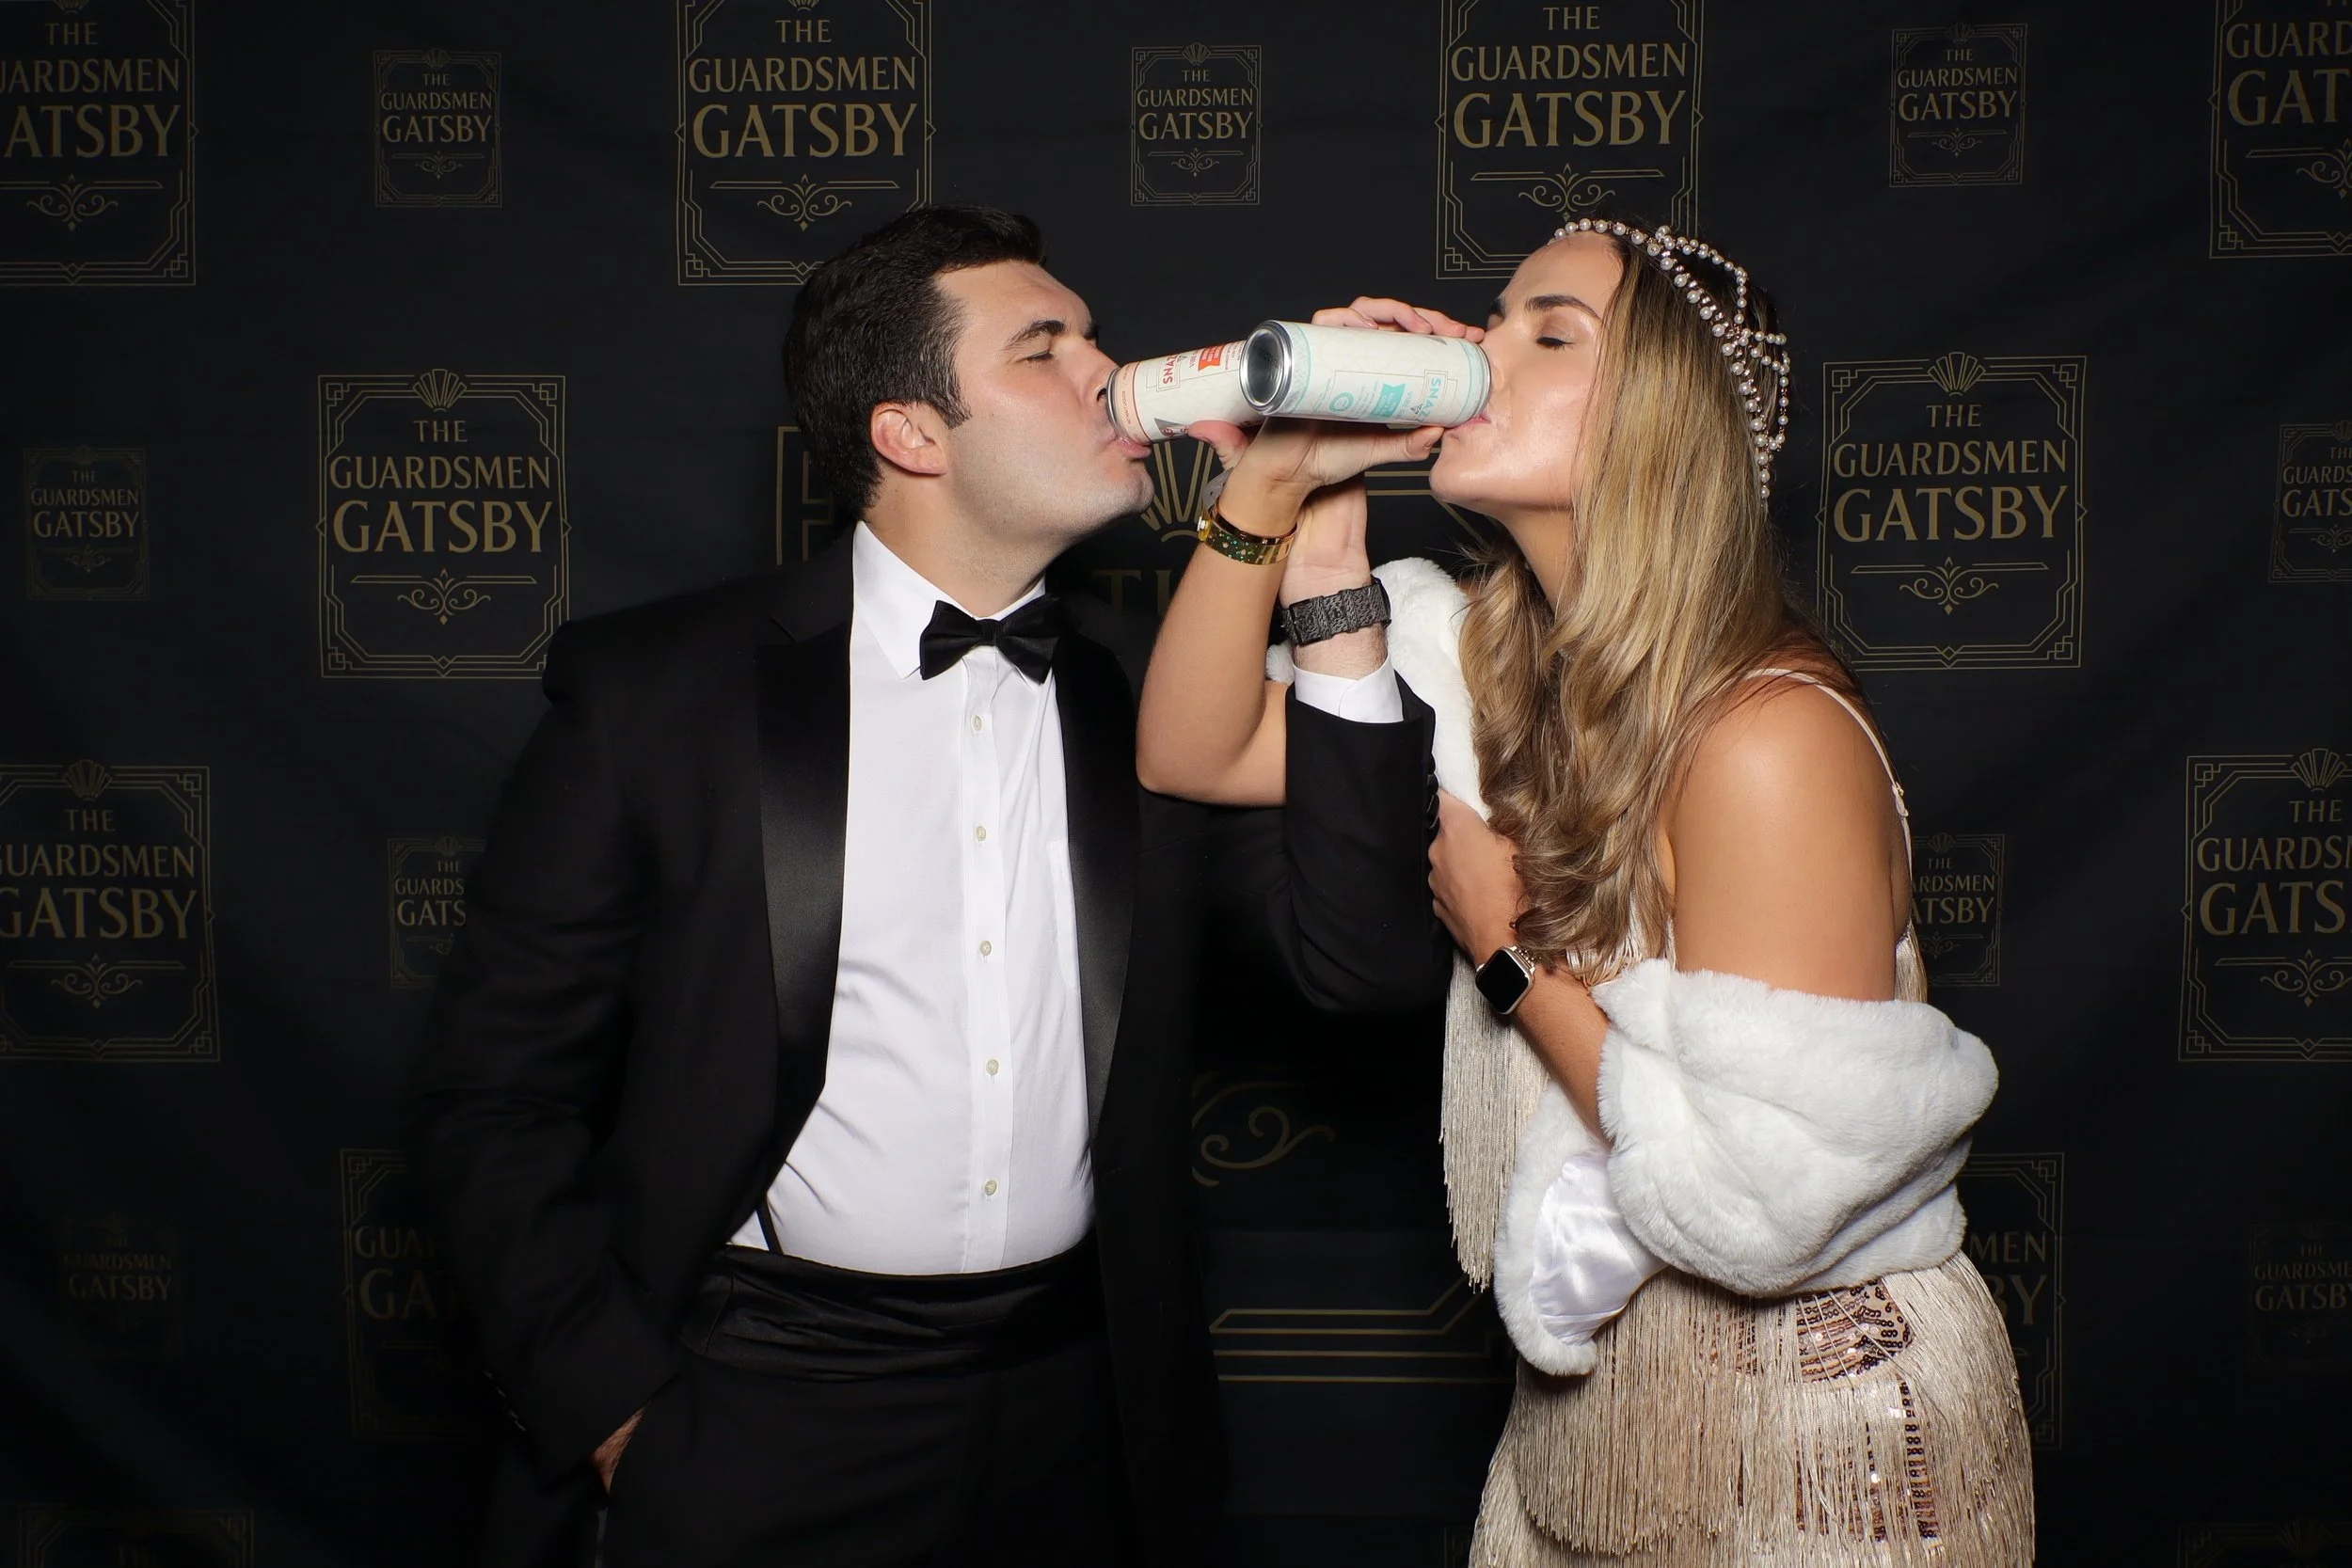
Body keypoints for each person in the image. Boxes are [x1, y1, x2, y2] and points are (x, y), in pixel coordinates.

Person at [404, 205, 1445, 1568]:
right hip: (764, 1400)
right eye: (1044, 348)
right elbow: (493, 1094)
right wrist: (615, 1417)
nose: (1107, 370)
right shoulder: (656, 696)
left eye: (1092, 334)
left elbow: (1364, 963)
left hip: (1083, 1415)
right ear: (910, 434)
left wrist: (1324, 559)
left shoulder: (1156, 688)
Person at [1136, 218, 2035, 1563]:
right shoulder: (1487, 670)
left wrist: (1507, 949)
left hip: (1830, 1424)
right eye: (1495, 317)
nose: (1485, 348)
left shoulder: (1766, 739)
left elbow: (1764, 1208)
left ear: (1657, 424)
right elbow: (1193, 750)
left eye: (1549, 332)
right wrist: (1279, 498)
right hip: (1597, 1407)